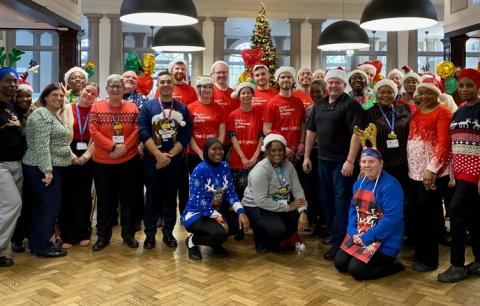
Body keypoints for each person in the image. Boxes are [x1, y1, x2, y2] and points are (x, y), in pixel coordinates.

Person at [303, 68, 364, 260]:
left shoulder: (351, 105)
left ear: (344, 85)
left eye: (338, 82)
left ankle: (340, 243)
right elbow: (311, 133)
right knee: (326, 200)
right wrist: (306, 157)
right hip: (322, 162)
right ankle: (333, 233)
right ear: (326, 84)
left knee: (341, 201)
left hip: (341, 163)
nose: (333, 85)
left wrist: (350, 161)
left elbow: (357, 134)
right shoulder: (319, 105)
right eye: (330, 82)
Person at [335, 127, 404, 280]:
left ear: (381, 163)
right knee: (340, 264)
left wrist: (367, 237)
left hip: (384, 240)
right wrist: (352, 232)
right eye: (364, 162)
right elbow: (353, 209)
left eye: (371, 161)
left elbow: (392, 219)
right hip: (360, 233)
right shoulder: (358, 183)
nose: (367, 165)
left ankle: (393, 266)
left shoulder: (391, 186)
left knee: (356, 271)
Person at [138, 71, 192, 249]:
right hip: (152, 160)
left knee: (170, 198)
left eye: (169, 82)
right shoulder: (148, 107)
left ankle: (168, 233)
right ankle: (150, 235)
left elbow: (185, 136)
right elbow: (143, 132)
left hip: (174, 160)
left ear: (173, 85)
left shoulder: (182, 108)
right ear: (158, 85)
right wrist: (158, 155)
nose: (166, 84)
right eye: (162, 82)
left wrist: (169, 156)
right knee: (152, 197)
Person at [22, 83, 75, 258]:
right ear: (45, 97)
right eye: (54, 95)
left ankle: (38, 244)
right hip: (41, 168)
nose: (59, 98)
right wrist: (47, 170)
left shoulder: (51, 114)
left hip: (48, 167)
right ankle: (43, 246)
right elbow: (42, 146)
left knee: (42, 208)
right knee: (49, 208)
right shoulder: (43, 115)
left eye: (61, 96)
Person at [438, 68, 480, 283]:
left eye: (469, 85)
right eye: (461, 85)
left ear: (477, 87)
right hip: (460, 172)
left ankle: (457, 265)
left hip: (475, 173)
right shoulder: (459, 111)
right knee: (473, 216)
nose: (464, 90)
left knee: (455, 213)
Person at [89, 74, 140, 252]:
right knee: (105, 202)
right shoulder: (97, 107)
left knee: (128, 200)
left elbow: (137, 129)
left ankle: (128, 235)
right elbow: (93, 131)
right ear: (107, 89)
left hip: (128, 161)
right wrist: (112, 147)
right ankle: (103, 236)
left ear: (124, 88)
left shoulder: (133, 107)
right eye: (112, 86)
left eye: (119, 86)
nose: (116, 89)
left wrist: (123, 147)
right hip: (103, 162)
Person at [407, 81, 452, 272]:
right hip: (414, 173)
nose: (424, 97)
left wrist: (432, 169)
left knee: (430, 216)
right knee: (417, 214)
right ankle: (420, 253)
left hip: (432, 173)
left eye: (429, 93)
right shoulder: (417, 112)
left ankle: (430, 259)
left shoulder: (443, 112)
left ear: (437, 94)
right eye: (421, 93)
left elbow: (444, 144)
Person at [182, 138, 249, 260]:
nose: (218, 152)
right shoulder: (200, 169)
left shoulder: (225, 166)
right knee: (219, 232)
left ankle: (215, 242)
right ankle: (193, 241)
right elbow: (199, 202)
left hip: (215, 211)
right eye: (214, 149)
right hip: (196, 214)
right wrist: (220, 219)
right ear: (206, 151)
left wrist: (241, 212)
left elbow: (230, 192)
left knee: (238, 223)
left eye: (220, 149)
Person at [242, 132, 308, 253]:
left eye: (280, 150)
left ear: (284, 151)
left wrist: (303, 211)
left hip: (277, 203)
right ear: (267, 151)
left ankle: (278, 240)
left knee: (296, 216)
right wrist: (287, 207)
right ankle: (261, 239)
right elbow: (261, 201)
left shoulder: (288, 166)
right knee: (277, 229)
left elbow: (297, 189)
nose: (277, 153)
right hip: (255, 206)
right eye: (273, 150)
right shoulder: (260, 170)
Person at [59, 83, 99, 249]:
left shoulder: (96, 111)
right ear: (81, 91)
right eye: (87, 91)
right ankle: (67, 234)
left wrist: (85, 157)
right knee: (66, 195)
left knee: (84, 196)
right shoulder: (66, 108)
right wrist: (72, 156)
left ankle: (84, 232)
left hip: (87, 155)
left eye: (93, 94)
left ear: (96, 97)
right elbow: (60, 134)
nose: (89, 95)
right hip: (67, 153)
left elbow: (97, 136)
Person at [366, 79, 411, 189]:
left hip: (403, 162)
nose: (385, 95)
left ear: (394, 94)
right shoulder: (369, 113)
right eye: (382, 92)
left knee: (403, 194)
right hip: (381, 163)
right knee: (382, 194)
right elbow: (365, 141)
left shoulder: (403, 109)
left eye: (389, 92)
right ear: (376, 94)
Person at [0, 67, 24, 266]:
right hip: (1, 165)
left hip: (16, 162)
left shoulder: (11, 104)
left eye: (15, 81)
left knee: (7, 207)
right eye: (8, 81)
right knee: (12, 204)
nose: (13, 85)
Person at [227, 82, 263, 199]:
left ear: (253, 95)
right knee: (238, 192)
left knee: (254, 193)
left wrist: (255, 157)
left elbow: (261, 137)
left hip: (255, 159)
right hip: (238, 160)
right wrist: (243, 157)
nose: (246, 95)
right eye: (243, 93)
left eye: (248, 92)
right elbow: (233, 137)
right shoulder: (233, 115)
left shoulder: (259, 114)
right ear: (238, 96)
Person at [263, 66, 305, 164]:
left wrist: (302, 142)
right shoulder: (272, 103)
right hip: (279, 152)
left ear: (293, 80)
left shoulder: (298, 102)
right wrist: (282, 147)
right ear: (278, 81)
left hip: (297, 151)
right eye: (282, 77)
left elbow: (303, 123)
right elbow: (266, 129)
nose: (286, 79)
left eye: (289, 77)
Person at [10, 83, 33, 253]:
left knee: (29, 202)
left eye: (27, 96)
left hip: (30, 164)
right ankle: (16, 238)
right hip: (13, 163)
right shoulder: (10, 113)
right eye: (20, 96)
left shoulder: (32, 113)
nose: (24, 99)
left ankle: (27, 234)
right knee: (16, 202)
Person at [186, 76, 226, 174]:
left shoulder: (219, 108)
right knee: (197, 186)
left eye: (210, 87)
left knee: (214, 185)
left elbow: (222, 133)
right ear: (199, 88)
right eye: (204, 87)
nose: (207, 90)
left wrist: (215, 150)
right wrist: (200, 153)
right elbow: (188, 134)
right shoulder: (190, 108)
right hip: (194, 153)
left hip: (214, 154)